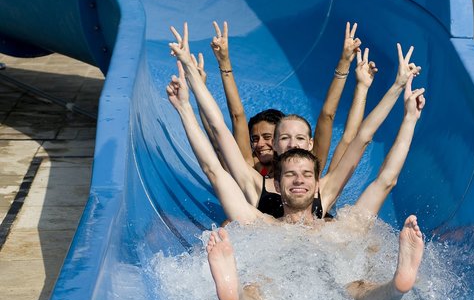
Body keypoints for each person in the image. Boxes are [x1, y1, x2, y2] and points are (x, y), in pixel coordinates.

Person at [166, 62, 432, 300]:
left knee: (358, 287)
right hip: (280, 295)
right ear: (278, 184)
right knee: (255, 290)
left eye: (306, 175)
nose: (298, 180)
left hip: (333, 294)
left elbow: (385, 179)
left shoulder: (344, 225)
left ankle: (396, 288)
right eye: (290, 175)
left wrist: (410, 118)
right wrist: (185, 108)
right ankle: (233, 296)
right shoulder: (259, 223)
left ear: (317, 184)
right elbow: (214, 169)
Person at [169, 25, 420, 220]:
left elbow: (361, 139)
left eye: (299, 138)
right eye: (285, 138)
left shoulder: (323, 191)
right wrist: (187, 94)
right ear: (275, 145)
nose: (299, 180)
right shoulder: (257, 194)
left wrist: (399, 91)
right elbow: (218, 143)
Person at [207, 20, 364, 174]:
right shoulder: (253, 173)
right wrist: (223, 63)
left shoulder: (311, 167)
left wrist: (345, 63)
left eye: (267, 137)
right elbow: (235, 118)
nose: (260, 144)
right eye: (254, 139)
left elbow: (329, 117)